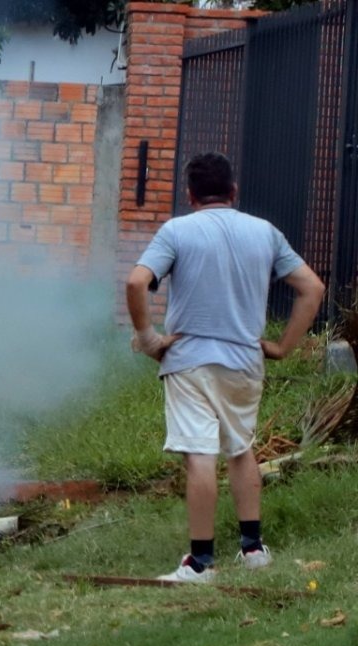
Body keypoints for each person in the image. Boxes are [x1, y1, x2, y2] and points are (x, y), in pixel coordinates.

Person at [126, 152, 325, 583]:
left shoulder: (176, 230)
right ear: (233, 192)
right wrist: (283, 346)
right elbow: (312, 287)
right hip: (244, 360)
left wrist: (148, 338)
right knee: (240, 447)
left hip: (189, 362)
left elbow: (136, 282)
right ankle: (252, 549)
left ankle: (200, 562)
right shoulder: (265, 232)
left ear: (190, 195)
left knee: (200, 453)